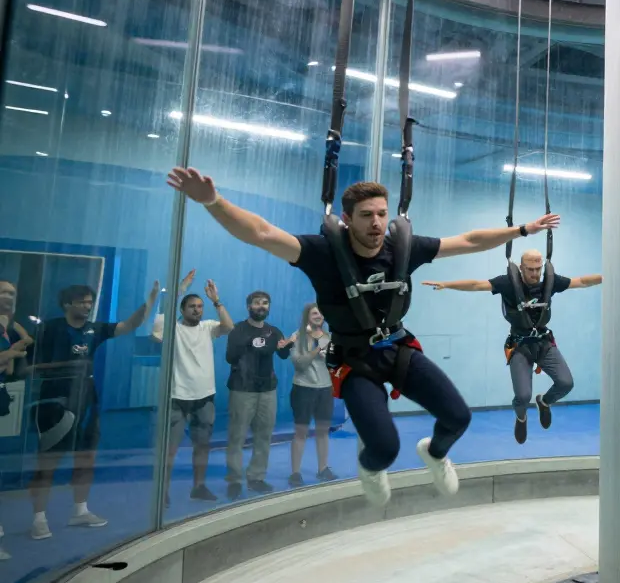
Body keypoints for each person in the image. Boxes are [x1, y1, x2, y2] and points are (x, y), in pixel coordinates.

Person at [167, 168, 558, 506]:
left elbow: (469, 241)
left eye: (382, 214)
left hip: (400, 348)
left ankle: (435, 454)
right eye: (366, 215)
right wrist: (212, 201)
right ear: (347, 218)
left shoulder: (401, 249)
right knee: (384, 447)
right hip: (355, 361)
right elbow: (261, 233)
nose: (375, 223)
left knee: (458, 416)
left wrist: (523, 230)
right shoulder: (321, 252)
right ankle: (371, 469)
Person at [423, 250, 601, 444]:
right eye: (530, 269)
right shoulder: (507, 283)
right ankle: (521, 417)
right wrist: (446, 284)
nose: (535, 274)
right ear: (522, 268)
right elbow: (476, 285)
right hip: (520, 345)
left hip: (544, 343)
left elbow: (581, 282)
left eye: (538, 269)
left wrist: (607, 276)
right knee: (523, 396)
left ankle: (544, 402)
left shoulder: (550, 282)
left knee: (566, 383)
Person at [29, 281, 158, 540]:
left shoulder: (95, 328)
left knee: (86, 457)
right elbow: (30, 364)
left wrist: (150, 302)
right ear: (67, 304)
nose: (88, 306)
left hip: (87, 400)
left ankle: (80, 510)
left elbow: (128, 326)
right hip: (54, 401)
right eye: (82, 302)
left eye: (90, 302)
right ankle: (38, 518)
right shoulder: (50, 328)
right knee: (48, 462)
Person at [151, 271, 234, 506]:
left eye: (199, 306)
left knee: (202, 446)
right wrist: (181, 290)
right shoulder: (171, 328)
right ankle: (162, 492)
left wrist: (215, 301)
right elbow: (161, 317)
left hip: (205, 397)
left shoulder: (208, 327)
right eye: (192, 306)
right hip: (177, 396)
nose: (197, 310)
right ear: (182, 310)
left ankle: (198, 487)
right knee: (170, 449)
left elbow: (228, 326)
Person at [223, 290, 293, 498]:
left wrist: (287, 345)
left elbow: (282, 354)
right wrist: (248, 344)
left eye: (265, 303)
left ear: (268, 307)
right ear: (248, 306)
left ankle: (256, 478)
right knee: (237, 437)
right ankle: (234, 480)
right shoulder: (237, 329)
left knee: (264, 436)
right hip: (242, 390)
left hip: (267, 391)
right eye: (256, 303)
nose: (261, 306)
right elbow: (229, 357)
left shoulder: (274, 331)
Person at [289, 303, 338, 486]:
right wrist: (318, 348)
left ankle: (322, 469)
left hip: (325, 389)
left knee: (323, 432)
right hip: (303, 388)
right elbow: (300, 364)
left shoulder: (330, 337)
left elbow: (335, 364)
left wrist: (331, 356)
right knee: (300, 432)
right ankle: (295, 473)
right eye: (314, 313)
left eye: (321, 313)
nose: (319, 316)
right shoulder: (298, 337)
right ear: (307, 317)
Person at [0, 279, 32, 560]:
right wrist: (10, 354)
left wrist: (12, 355)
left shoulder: (7, 326)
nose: (9, 297)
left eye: (12, 292)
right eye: (3, 292)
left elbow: (9, 367)